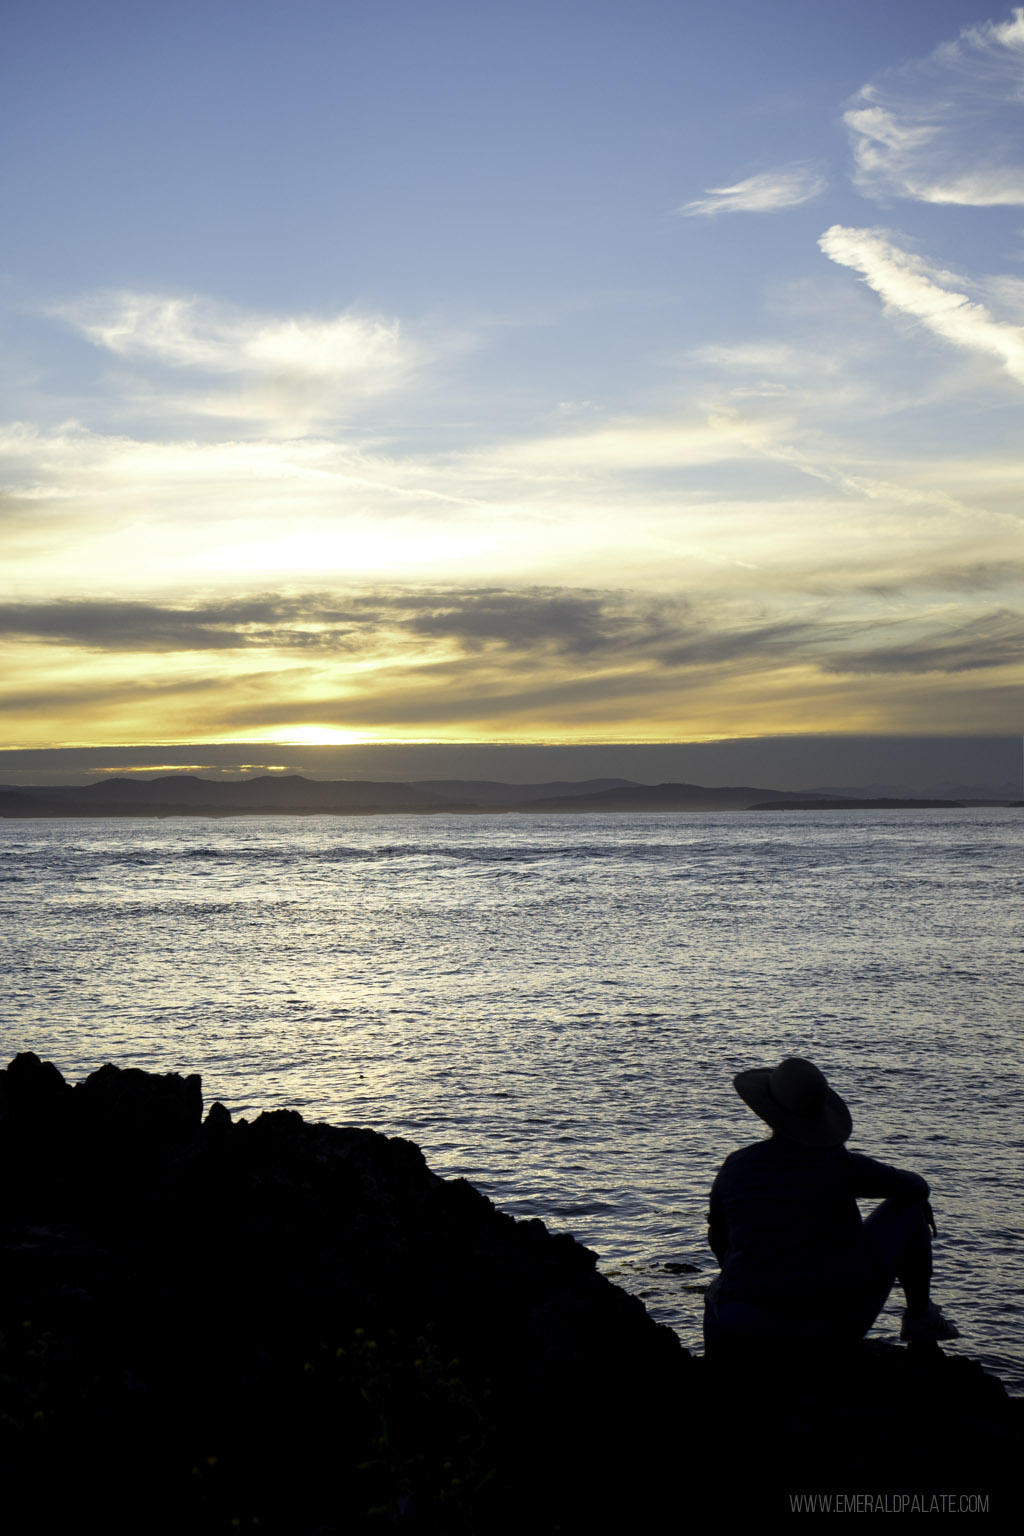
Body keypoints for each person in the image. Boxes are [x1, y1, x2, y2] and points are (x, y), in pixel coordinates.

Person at [704, 1056, 959, 1353]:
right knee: (909, 1210)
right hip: (830, 1327)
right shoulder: (840, 1165)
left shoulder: (736, 1166)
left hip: (745, 1321)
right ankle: (919, 1317)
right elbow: (916, 1186)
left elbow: (719, 1241)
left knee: (718, 1290)